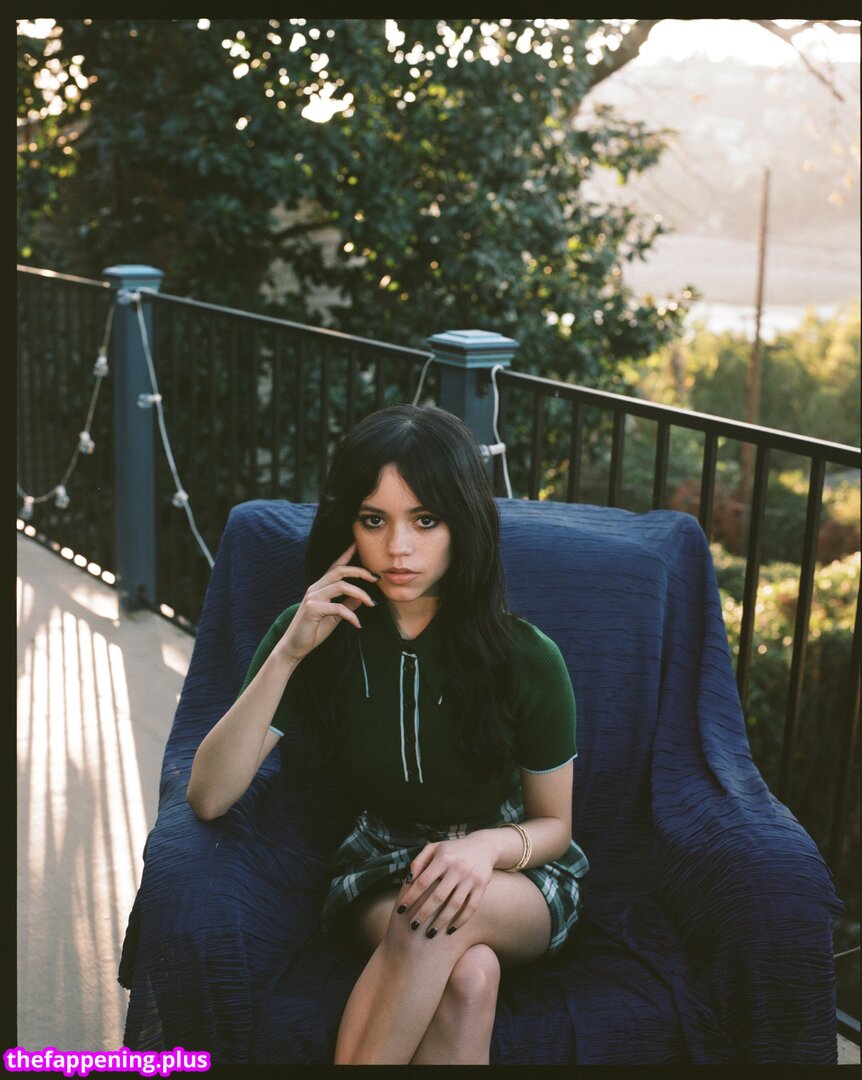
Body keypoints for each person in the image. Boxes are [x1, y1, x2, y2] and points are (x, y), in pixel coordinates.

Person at [186, 404, 589, 1065]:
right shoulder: (314, 633)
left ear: (463, 523)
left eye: (425, 520)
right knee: (468, 975)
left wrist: (481, 850)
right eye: (374, 520)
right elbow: (208, 796)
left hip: (512, 871)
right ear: (348, 527)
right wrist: (289, 652)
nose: (399, 547)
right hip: (381, 861)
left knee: (436, 913)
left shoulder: (528, 657)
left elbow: (555, 828)